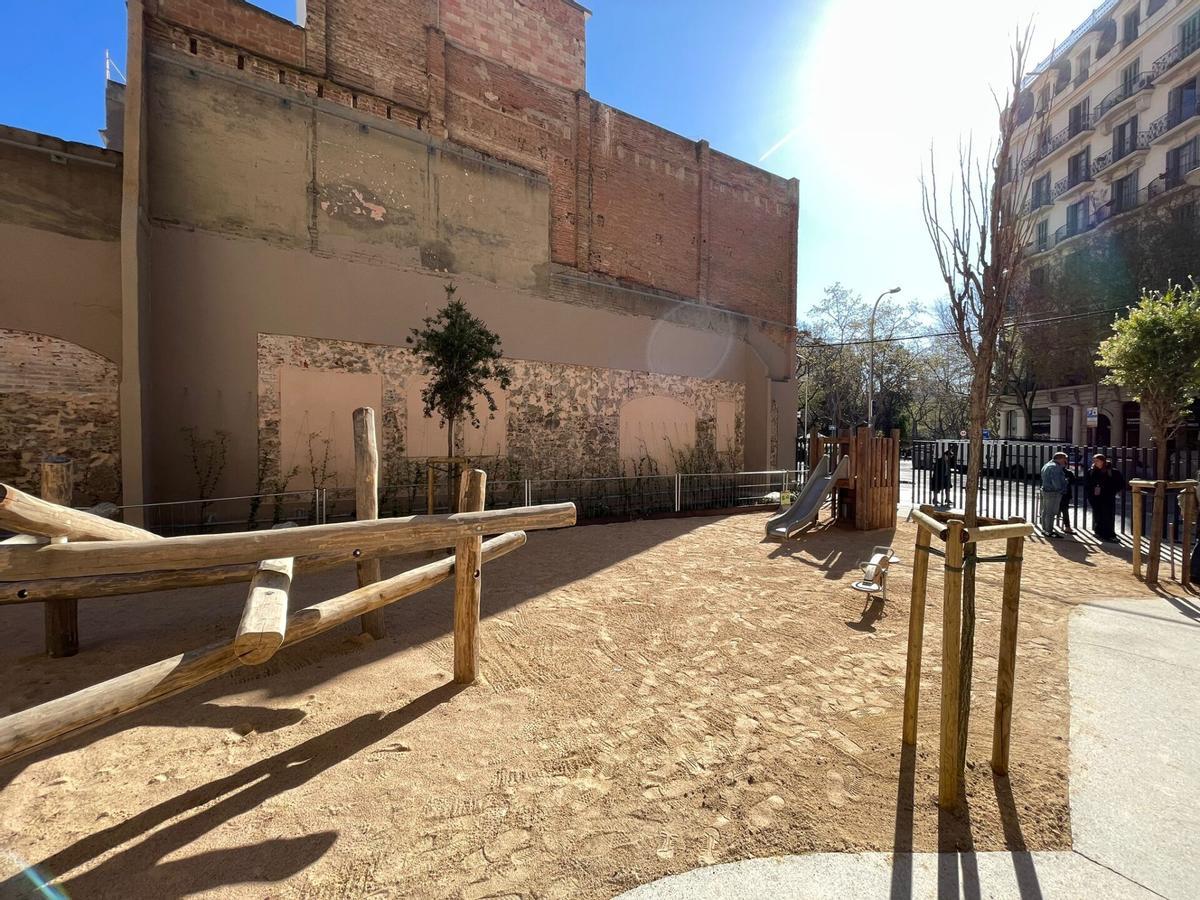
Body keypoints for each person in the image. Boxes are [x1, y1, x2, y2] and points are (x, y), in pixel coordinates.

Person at [1084, 453, 1125, 542]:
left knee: (1108, 516)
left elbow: (1120, 483)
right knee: (1098, 515)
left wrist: (1112, 491)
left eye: (1097, 461)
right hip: (1096, 497)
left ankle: (1109, 535)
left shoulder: (1113, 472)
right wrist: (1091, 494)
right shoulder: (1091, 471)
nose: (1095, 463)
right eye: (1094, 461)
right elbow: (1087, 484)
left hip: (1108, 497)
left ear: (1103, 461)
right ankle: (1098, 532)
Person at [1039, 452, 1070, 538]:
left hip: (1045, 491)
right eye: (1064, 459)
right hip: (1053, 492)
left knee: (1045, 511)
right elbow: (1056, 482)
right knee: (1051, 512)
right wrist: (1061, 489)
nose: (1065, 461)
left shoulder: (1047, 465)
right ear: (1060, 459)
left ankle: (1045, 529)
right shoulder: (1055, 467)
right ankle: (1049, 531)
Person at [1058, 463, 1077, 535]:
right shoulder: (1068, 472)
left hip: (1059, 494)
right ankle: (1067, 527)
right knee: (1065, 510)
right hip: (1065, 494)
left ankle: (1048, 526)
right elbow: (1073, 481)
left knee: (1055, 510)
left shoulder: (1057, 471)